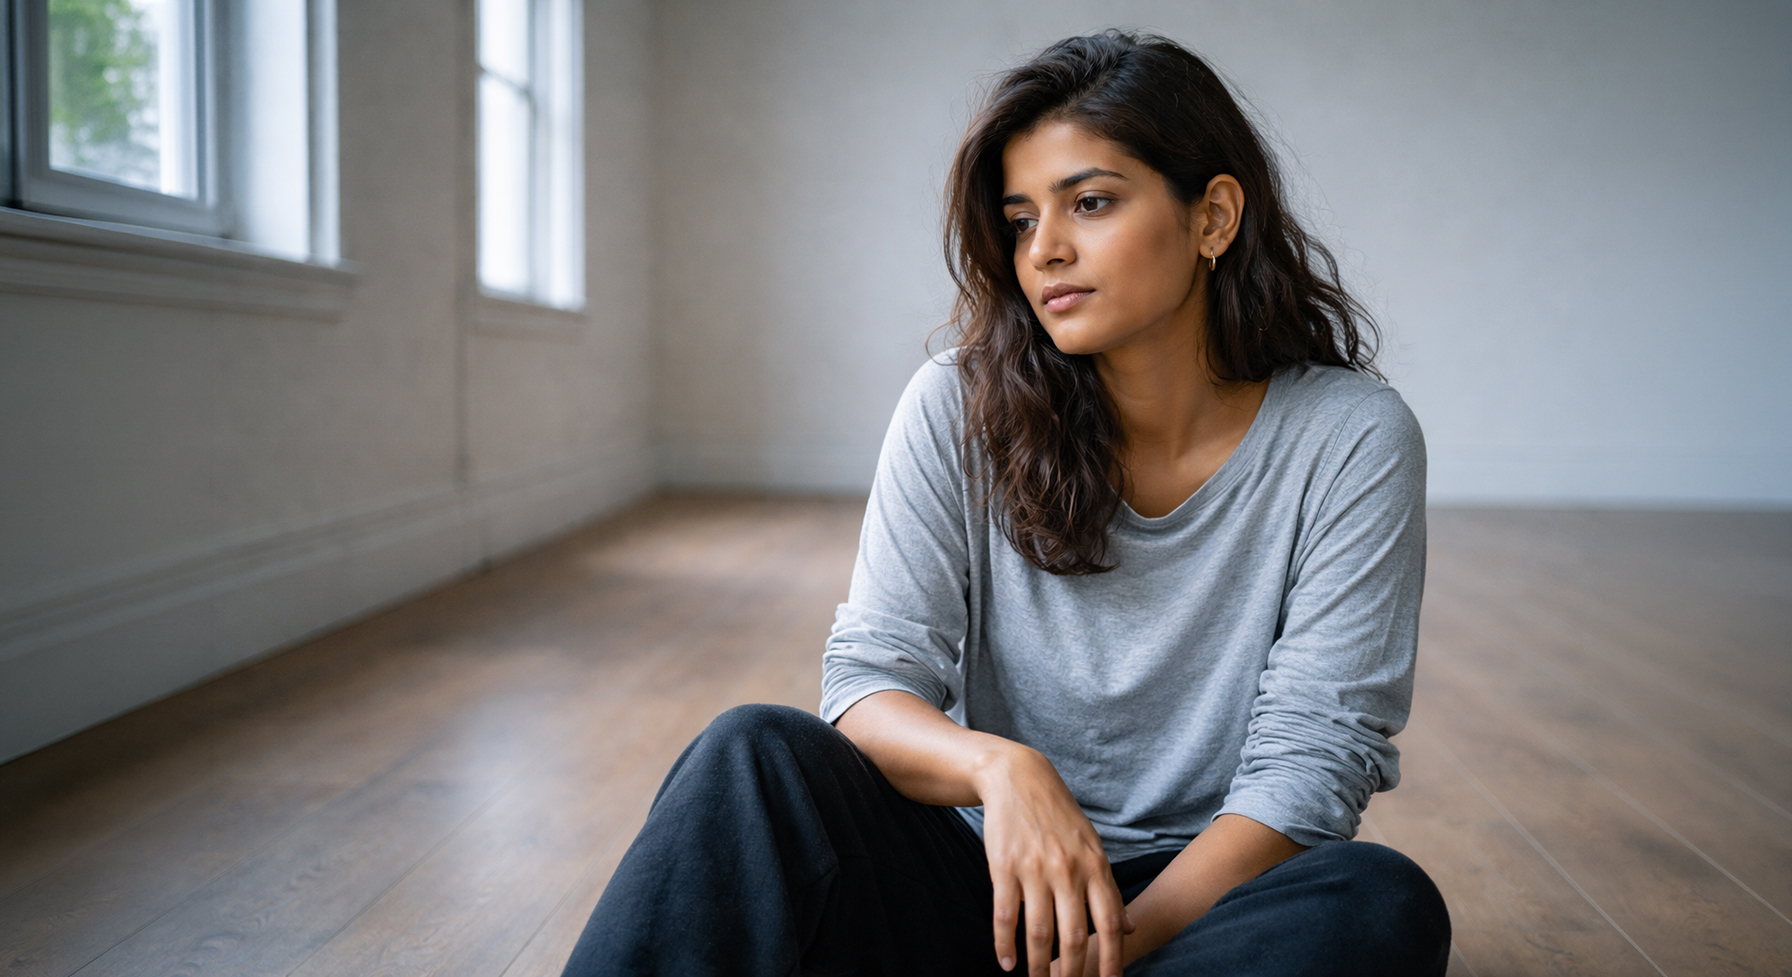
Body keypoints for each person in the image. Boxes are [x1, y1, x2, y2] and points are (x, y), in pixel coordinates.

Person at [562, 30, 1450, 977]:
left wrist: (1100, 952)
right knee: (751, 754)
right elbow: (868, 681)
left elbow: (1313, 764)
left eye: (1092, 203)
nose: (1047, 252)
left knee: (1381, 903)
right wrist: (1001, 767)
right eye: (1022, 220)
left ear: (1214, 216)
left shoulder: (1352, 435)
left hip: (1197, 908)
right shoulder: (958, 403)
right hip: (985, 880)